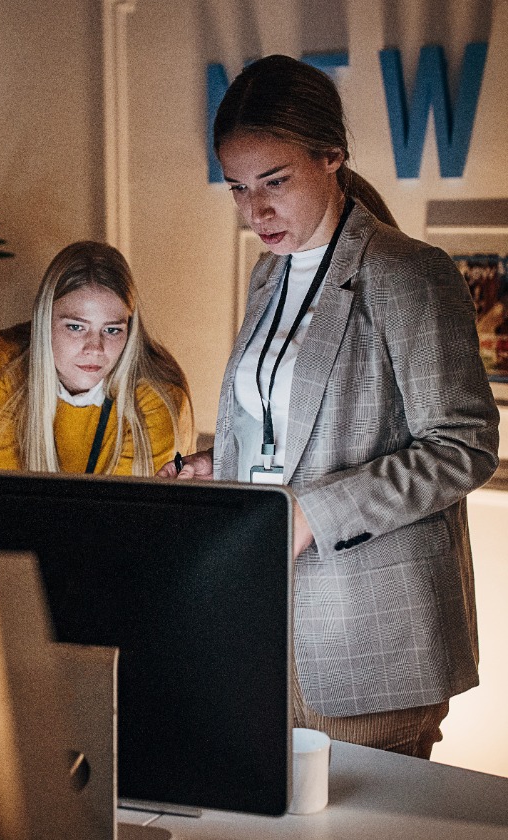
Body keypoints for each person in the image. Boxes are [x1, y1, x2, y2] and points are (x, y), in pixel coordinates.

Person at [158, 55, 499, 758]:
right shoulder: (266, 276)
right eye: (238, 188)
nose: (256, 211)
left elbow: (463, 446)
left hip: (372, 642)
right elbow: (292, 423)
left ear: (332, 157)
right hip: (265, 624)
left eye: (275, 182)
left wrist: (316, 513)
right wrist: (221, 461)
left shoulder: (408, 272)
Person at [0, 240, 193, 475]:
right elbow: (0, 501)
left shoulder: (158, 394)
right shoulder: (2, 368)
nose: (95, 348)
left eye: (112, 330)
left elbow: (127, 509)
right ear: (44, 321)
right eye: (76, 327)